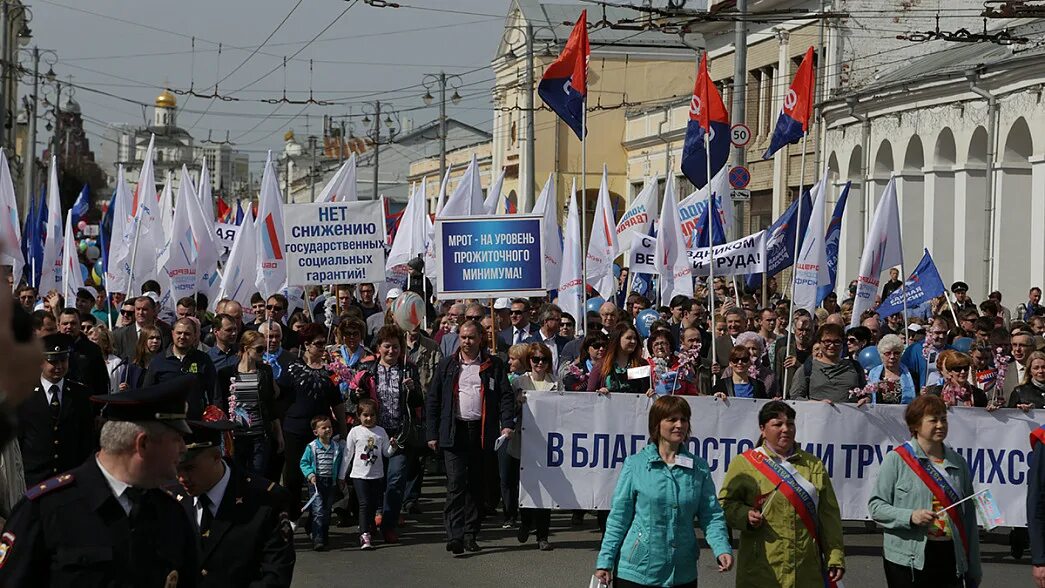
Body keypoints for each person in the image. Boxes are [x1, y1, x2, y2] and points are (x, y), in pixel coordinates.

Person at [0, 376, 199, 586]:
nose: (184, 449)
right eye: (177, 439)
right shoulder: (47, 509)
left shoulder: (171, 514)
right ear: (143, 444)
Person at [595, 395, 733, 587]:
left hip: (682, 572)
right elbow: (619, 517)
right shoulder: (635, 465)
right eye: (672, 419)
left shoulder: (699, 467)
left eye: (684, 420)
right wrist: (605, 560)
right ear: (656, 425)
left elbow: (711, 514)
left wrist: (721, 548)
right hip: (637, 572)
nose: (679, 425)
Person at [719, 400, 845, 587]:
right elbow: (725, 504)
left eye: (790, 424)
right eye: (777, 424)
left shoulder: (813, 465)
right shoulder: (744, 463)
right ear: (763, 428)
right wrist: (744, 515)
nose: (786, 429)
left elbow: (829, 516)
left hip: (805, 569)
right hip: (762, 568)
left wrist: (835, 555)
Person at [868, 395, 982, 587]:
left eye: (944, 419)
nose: (940, 425)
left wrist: (974, 567)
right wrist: (910, 516)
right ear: (915, 425)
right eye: (933, 420)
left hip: (950, 555)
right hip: (906, 559)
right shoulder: (896, 460)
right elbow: (876, 507)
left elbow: (968, 518)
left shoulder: (958, 463)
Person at [425, 320, 514, 555]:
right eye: (463, 337)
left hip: (482, 431)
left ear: (480, 339)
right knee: (456, 483)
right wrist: (432, 433)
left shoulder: (492, 365)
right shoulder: (447, 365)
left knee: (476, 485)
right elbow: (433, 401)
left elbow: (505, 396)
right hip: (454, 431)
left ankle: (470, 534)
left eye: (471, 337)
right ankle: (454, 535)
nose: (467, 342)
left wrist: (506, 425)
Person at [172, 420, 295, 587]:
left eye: (189, 468)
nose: (182, 478)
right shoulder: (171, 498)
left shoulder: (266, 501)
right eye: (177, 468)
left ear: (216, 457)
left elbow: (275, 575)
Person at [350, 325, 423, 543]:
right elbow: (354, 401)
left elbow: (419, 401)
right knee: (374, 482)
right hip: (373, 433)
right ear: (379, 348)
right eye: (387, 346)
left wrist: (413, 390)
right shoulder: (367, 368)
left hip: (399, 433)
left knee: (395, 479)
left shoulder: (408, 368)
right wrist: (357, 393)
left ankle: (389, 524)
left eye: (396, 347)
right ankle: (371, 522)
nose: (392, 351)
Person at [283, 324, 348, 516]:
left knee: (321, 476)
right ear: (307, 344)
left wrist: (343, 431)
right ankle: (293, 515)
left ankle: (317, 520)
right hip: (295, 429)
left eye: (324, 343)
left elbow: (337, 403)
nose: (323, 347)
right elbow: (282, 397)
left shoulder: (331, 372)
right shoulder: (292, 367)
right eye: (318, 344)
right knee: (293, 476)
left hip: (321, 434)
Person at [17, 333, 97, 486]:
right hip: (34, 479)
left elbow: (86, 438)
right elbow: (20, 438)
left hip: (70, 478)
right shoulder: (24, 394)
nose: (59, 366)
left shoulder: (80, 394)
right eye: (53, 362)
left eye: (63, 360)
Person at [512, 342, 559, 551]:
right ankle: (525, 521)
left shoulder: (556, 383)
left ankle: (543, 535)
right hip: (523, 440)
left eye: (544, 359)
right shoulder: (519, 382)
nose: (540, 363)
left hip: (548, 443)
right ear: (529, 361)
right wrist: (517, 401)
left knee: (546, 488)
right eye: (536, 359)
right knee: (524, 486)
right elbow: (507, 410)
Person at [217, 330, 282, 477]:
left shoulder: (265, 371)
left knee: (257, 475)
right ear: (246, 348)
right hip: (236, 435)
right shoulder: (227, 373)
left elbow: (271, 404)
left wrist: (279, 434)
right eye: (259, 349)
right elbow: (221, 405)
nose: (262, 353)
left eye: (264, 349)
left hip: (259, 434)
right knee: (237, 476)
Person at [343, 399, 395, 550]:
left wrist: (393, 447)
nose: (368, 418)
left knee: (373, 504)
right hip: (359, 475)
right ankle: (364, 534)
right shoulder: (355, 432)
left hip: (376, 474)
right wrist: (341, 475)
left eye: (372, 415)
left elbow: (386, 453)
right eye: (365, 415)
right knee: (364, 503)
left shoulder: (381, 432)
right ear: (359, 416)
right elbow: (348, 454)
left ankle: (370, 526)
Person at [144, 317, 217, 419]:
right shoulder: (158, 361)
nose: (182, 337)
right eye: (179, 333)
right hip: (167, 423)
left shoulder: (203, 360)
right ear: (172, 333)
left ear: (195, 336)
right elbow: (148, 394)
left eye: (187, 334)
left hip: (195, 423)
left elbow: (214, 393)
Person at [299, 414, 346, 551]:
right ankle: (317, 538)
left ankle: (324, 535)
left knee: (326, 511)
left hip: (330, 483)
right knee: (318, 510)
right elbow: (304, 463)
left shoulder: (336, 447)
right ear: (316, 432)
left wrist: (339, 479)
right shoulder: (312, 447)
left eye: (329, 427)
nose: (327, 430)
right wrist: (310, 474)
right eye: (323, 428)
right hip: (316, 483)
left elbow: (340, 463)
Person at [790, 324, 866, 403]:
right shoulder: (806, 369)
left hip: (850, 414)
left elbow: (866, 394)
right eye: (827, 341)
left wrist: (865, 400)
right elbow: (795, 397)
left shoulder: (855, 367)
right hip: (817, 414)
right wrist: (815, 404)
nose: (832, 345)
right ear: (819, 342)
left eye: (836, 342)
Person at [589, 324, 651, 396]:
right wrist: (600, 393)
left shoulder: (642, 364)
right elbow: (589, 395)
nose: (633, 341)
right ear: (617, 339)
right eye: (629, 338)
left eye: (635, 338)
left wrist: (650, 393)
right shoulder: (601, 365)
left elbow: (647, 389)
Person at [901, 317, 954, 392]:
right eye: (938, 333)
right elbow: (906, 376)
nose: (942, 336)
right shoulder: (914, 350)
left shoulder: (952, 351)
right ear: (929, 332)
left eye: (944, 333)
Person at [112, 295, 171, 361]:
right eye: (138, 309)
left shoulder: (166, 332)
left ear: (154, 311)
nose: (140, 313)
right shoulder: (119, 335)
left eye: (144, 309)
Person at [922, 350, 988, 407]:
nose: (963, 372)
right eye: (958, 369)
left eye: (965, 368)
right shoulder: (937, 393)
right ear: (950, 371)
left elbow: (985, 417)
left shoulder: (978, 394)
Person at [866, 334, 917, 405]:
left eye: (896, 353)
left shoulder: (912, 375)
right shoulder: (872, 374)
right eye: (888, 353)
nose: (892, 357)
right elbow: (868, 397)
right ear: (881, 355)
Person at [89, 324, 126, 394]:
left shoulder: (117, 363)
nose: (90, 343)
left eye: (94, 339)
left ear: (105, 343)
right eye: (89, 339)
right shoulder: (85, 360)